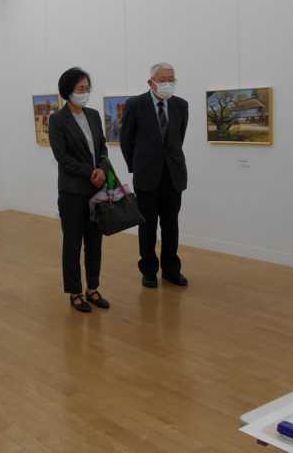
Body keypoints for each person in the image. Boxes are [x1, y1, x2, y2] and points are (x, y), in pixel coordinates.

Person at [120, 63, 189, 289]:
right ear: (151, 82)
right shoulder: (135, 104)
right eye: (163, 79)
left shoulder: (181, 105)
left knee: (171, 225)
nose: (168, 83)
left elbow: (178, 139)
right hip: (146, 177)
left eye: (171, 79)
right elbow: (126, 140)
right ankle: (149, 270)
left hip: (173, 176)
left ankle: (171, 270)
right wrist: (137, 166)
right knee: (147, 226)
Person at [48, 67, 111, 313]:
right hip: (72, 192)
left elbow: (103, 148)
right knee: (72, 244)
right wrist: (90, 172)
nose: (85, 92)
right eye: (80, 88)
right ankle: (75, 292)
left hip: (97, 189)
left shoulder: (93, 115)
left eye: (87, 88)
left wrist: (102, 168)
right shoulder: (57, 119)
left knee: (95, 243)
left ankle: (92, 288)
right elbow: (62, 157)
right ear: (68, 91)